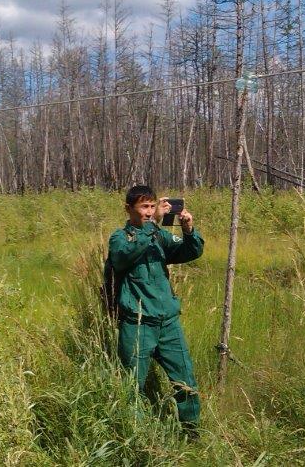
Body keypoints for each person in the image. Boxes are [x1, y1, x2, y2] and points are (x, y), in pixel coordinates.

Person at [107, 184, 205, 432]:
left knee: (185, 379)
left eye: (152, 206)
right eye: (144, 207)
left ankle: (192, 431)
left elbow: (190, 252)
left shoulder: (159, 236)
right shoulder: (121, 238)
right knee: (132, 384)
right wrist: (154, 226)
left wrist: (188, 230)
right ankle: (139, 436)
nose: (149, 212)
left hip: (168, 323)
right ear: (128, 209)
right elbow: (123, 257)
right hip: (137, 324)